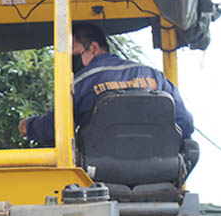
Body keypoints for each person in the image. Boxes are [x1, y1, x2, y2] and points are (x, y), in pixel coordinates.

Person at [19, 22, 194, 146]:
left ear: (93, 48)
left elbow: (54, 129)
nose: (72, 63)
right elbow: (185, 122)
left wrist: (29, 125)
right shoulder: (155, 76)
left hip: (100, 177)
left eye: (74, 54)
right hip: (159, 171)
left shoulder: (81, 82)